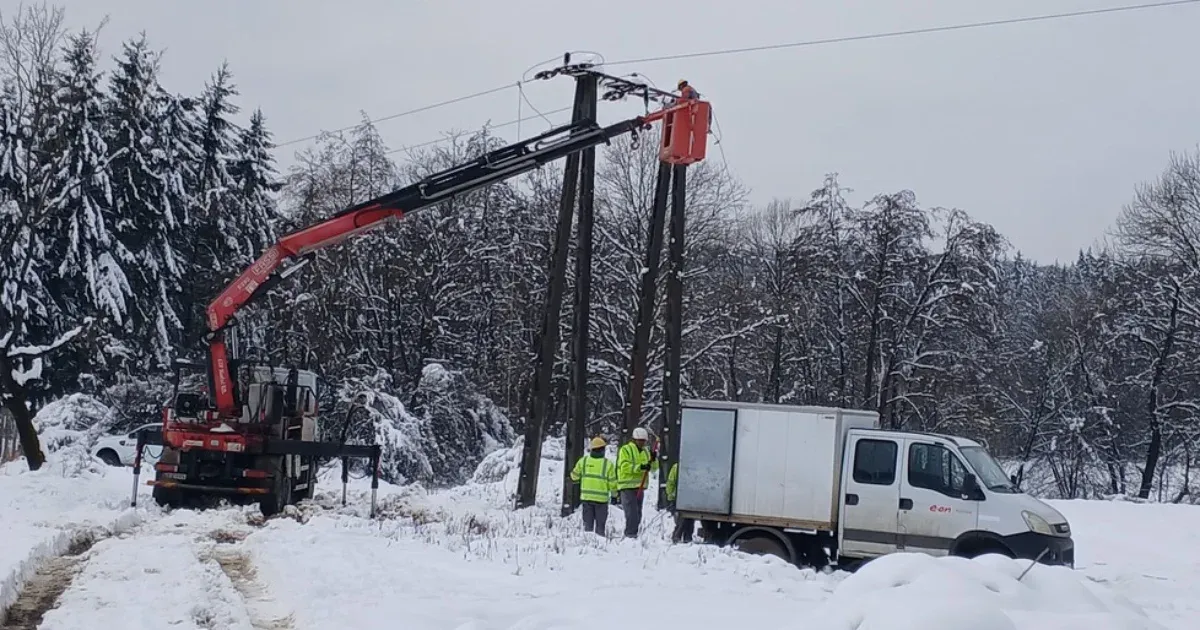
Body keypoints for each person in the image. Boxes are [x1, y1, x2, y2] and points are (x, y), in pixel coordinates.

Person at [571, 436, 617, 536]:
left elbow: (574, 477)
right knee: (600, 528)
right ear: (602, 450)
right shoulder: (608, 464)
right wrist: (614, 496)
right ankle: (599, 546)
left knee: (588, 527)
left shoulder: (583, 461)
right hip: (601, 501)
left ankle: (588, 545)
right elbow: (613, 484)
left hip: (586, 499)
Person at [616, 427, 658, 538]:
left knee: (638, 513)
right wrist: (641, 467)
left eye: (644, 441)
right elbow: (625, 467)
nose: (642, 443)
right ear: (634, 439)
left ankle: (633, 534)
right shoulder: (626, 450)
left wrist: (654, 460)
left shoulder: (645, 451)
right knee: (632, 513)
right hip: (627, 486)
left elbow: (654, 468)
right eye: (640, 441)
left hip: (640, 486)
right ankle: (630, 534)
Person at [665, 462, 694, 543]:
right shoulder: (677, 467)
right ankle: (677, 537)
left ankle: (687, 538)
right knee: (681, 520)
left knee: (689, 520)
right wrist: (671, 498)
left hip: (689, 499)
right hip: (678, 500)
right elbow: (670, 483)